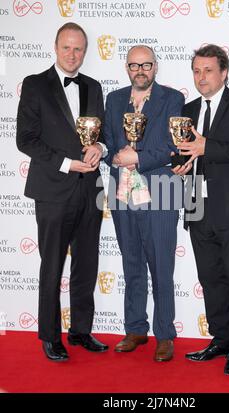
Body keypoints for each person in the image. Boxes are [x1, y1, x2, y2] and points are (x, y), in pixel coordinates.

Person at [16, 22, 108, 362]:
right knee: (52, 265)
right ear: (56, 47)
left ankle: (81, 331)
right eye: (67, 47)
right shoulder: (35, 84)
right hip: (53, 189)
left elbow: (104, 132)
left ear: (85, 52)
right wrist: (66, 164)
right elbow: (25, 139)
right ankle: (50, 336)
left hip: (91, 190)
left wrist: (99, 146)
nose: (73, 54)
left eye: (79, 49)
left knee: (87, 263)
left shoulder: (94, 87)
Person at [173, 44, 229, 375]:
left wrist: (206, 146)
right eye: (197, 71)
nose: (201, 77)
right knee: (210, 279)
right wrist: (181, 164)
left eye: (208, 70)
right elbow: (186, 153)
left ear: (224, 72)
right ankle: (221, 338)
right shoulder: (188, 108)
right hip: (198, 206)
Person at [104, 45, 184, 361]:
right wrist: (115, 156)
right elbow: (107, 144)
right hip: (123, 193)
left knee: (162, 266)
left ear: (155, 67)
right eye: (134, 65)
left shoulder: (172, 99)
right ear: (126, 68)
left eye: (146, 64)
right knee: (132, 262)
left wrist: (137, 157)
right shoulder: (113, 100)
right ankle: (135, 328)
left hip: (161, 190)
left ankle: (165, 335)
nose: (140, 70)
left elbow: (171, 147)